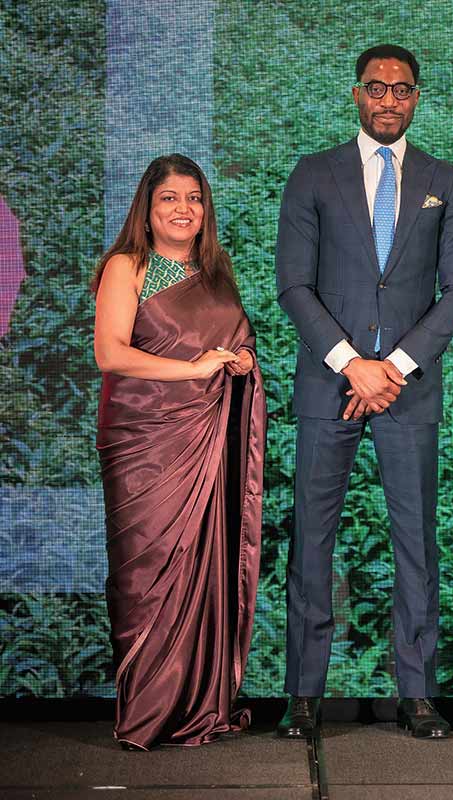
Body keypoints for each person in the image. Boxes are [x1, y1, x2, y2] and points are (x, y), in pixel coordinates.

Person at [274, 44, 453, 739]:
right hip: (329, 386)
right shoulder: (313, 174)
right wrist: (351, 363)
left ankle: (417, 694)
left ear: (417, 98)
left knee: (416, 542)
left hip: (407, 392)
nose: (389, 100)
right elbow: (293, 286)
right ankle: (303, 696)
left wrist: (394, 367)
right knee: (314, 542)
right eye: (377, 88)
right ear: (355, 94)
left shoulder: (444, 179)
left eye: (403, 89)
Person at [92, 154, 265, 750]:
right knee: (148, 571)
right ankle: (145, 712)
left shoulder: (215, 272)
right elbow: (111, 355)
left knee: (205, 565)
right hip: (143, 441)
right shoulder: (127, 267)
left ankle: (197, 706)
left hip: (205, 441)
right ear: (148, 205)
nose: (183, 209)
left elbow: (233, 345)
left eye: (193, 198)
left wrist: (239, 362)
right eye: (169, 198)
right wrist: (189, 370)